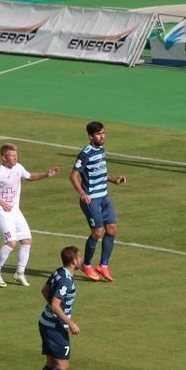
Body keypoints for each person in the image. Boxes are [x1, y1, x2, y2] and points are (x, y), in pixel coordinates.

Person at [0, 143, 60, 288]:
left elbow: (29, 176)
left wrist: (46, 174)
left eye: (16, 155)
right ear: (4, 157)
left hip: (15, 211)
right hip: (1, 212)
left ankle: (19, 272)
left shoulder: (18, 167)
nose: (15, 158)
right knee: (11, 242)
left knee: (27, 240)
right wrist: (2, 203)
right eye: (12, 155)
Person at [69, 120, 126, 282]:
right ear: (90, 136)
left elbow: (101, 172)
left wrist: (115, 180)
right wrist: (82, 193)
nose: (102, 136)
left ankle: (103, 266)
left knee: (112, 229)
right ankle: (86, 265)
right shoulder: (85, 154)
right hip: (91, 200)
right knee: (97, 232)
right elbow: (73, 176)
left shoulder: (101, 150)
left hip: (104, 197)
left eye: (103, 133)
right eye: (98, 134)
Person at [30, 245, 82, 370]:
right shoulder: (66, 280)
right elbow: (54, 304)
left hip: (45, 322)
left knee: (51, 363)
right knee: (62, 365)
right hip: (55, 327)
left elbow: (44, 290)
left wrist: (54, 309)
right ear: (74, 261)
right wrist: (69, 322)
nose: (81, 259)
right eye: (79, 257)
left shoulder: (58, 272)